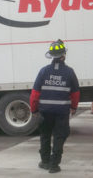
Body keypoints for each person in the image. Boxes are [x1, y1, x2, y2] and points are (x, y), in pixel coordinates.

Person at [30, 39, 80, 174]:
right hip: (62, 113)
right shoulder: (70, 72)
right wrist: (73, 108)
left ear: (51, 56)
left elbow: (35, 94)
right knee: (59, 136)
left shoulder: (43, 71)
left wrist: (34, 109)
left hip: (45, 112)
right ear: (63, 55)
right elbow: (75, 94)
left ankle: (45, 162)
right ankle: (54, 165)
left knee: (45, 136)